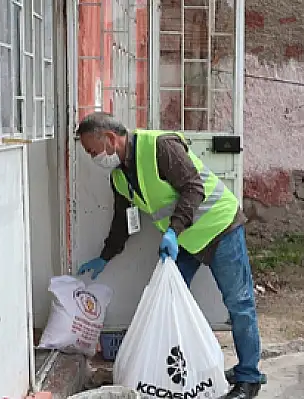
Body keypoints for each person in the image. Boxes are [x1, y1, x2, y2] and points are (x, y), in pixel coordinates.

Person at [75, 112, 262, 399]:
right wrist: (105, 256)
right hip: (185, 238)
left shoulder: (160, 147)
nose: (93, 158)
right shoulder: (120, 178)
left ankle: (248, 378)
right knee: (167, 299)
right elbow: (123, 221)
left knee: (239, 304)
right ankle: (183, 367)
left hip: (219, 227)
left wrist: (173, 232)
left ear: (110, 139)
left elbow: (194, 188)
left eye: (92, 150)